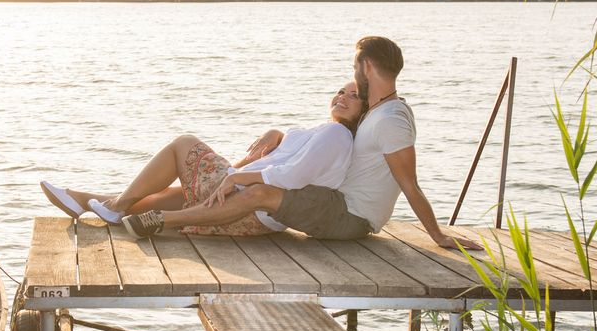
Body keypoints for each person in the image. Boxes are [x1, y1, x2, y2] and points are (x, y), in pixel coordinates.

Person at [116, 36, 482, 250]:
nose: (350, 79)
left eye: (355, 68)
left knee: (261, 193)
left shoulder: (390, 120)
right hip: (337, 202)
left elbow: (409, 183)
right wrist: (276, 134)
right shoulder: (377, 109)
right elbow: (325, 141)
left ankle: (161, 219)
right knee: (250, 188)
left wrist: (438, 236)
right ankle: (117, 205)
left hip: (350, 214)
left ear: (366, 66)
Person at [40, 81, 366, 238]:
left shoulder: (337, 135)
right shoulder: (326, 132)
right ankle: (90, 202)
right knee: (177, 194)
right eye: (341, 91)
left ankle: (112, 205)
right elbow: (293, 159)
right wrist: (278, 133)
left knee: (184, 144)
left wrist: (236, 177)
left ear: (363, 111)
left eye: (354, 96)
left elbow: (292, 176)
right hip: (254, 209)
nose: (343, 97)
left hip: (249, 203)